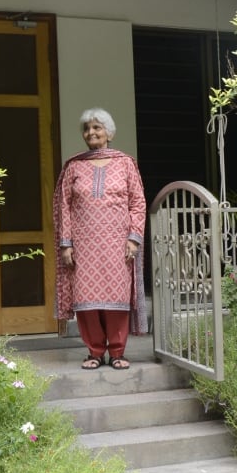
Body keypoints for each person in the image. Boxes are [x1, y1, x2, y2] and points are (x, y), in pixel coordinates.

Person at [53, 107, 148, 370]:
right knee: (86, 300)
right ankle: (94, 352)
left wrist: (133, 238)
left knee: (116, 299)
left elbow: (137, 203)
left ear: (109, 132)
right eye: (87, 128)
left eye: (97, 127)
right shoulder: (74, 166)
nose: (91, 132)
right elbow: (64, 207)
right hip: (83, 245)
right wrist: (66, 243)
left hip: (118, 244)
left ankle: (117, 352)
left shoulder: (125, 163)